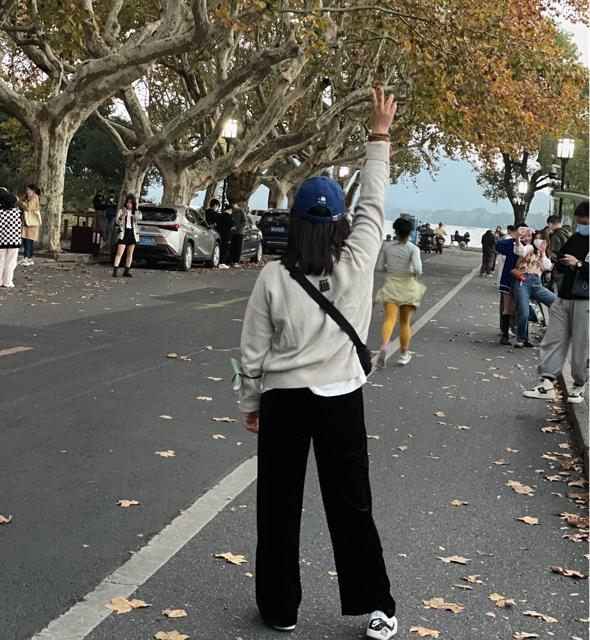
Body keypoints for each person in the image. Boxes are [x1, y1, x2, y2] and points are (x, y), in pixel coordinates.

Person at [238, 87, 398, 639]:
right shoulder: (358, 259)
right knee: (352, 504)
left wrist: (251, 401)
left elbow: (252, 351)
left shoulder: (272, 276)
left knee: (278, 507)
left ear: (294, 221)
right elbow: (374, 201)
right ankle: (378, 607)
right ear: (340, 223)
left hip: (284, 401)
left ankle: (280, 608)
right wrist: (378, 135)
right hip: (341, 398)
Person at [523, 202, 589, 403]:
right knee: (553, 338)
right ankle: (547, 382)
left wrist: (578, 264)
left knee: (582, 344)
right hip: (564, 296)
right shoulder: (575, 238)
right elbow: (560, 258)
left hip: (585, 300)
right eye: (579, 222)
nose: (581, 225)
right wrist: (558, 261)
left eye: (585, 222)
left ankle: (579, 384)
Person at [375, 216, 426, 366]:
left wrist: (391, 268)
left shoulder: (387, 247)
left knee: (389, 320)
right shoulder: (413, 249)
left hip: (391, 286)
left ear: (395, 231)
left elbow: (379, 267)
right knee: (404, 322)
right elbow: (418, 269)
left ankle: (384, 345)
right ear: (410, 232)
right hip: (408, 287)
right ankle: (403, 354)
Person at [511, 227, 555, 348]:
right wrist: (518, 238)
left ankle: (555, 333)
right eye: (537, 238)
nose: (538, 241)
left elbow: (547, 266)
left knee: (556, 302)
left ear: (546, 241)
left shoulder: (545, 254)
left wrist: (543, 252)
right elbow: (520, 250)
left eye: (541, 239)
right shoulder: (530, 247)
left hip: (537, 283)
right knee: (523, 312)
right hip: (523, 281)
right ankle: (521, 339)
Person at [496, 224, 524, 345]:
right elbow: (499, 245)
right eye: (521, 231)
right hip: (509, 277)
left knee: (522, 306)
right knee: (507, 306)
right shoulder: (511, 244)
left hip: (523, 279)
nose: (524, 234)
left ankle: (522, 334)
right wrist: (515, 238)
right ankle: (505, 333)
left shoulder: (530, 247)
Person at [0, 191, 23, 288]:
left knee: (0, 261)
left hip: (1, 239)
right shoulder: (17, 213)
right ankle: (7, 281)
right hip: (14, 239)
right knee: (11, 262)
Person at [112, 195, 141, 277]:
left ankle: (127, 270)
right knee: (119, 252)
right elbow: (117, 222)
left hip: (132, 233)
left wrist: (136, 209)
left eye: (131, 203)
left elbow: (138, 218)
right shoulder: (121, 211)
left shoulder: (135, 212)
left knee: (130, 253)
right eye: (128, 202)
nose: (129, 204)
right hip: (123, 233)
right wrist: (122, 216)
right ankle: (115, 270)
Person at [546, 215, 572, 291]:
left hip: (558, 269)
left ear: (550, 224)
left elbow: (553, 255)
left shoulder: (556, 235)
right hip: (569, 267)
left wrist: (549, 271)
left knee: (556, 291)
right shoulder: (569, 233)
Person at [19, 184, 41, 266]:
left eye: (28, 190)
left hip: (30, 223)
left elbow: (28, 207)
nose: (27, 191)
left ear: (33, 190)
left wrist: (21, 203)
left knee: (28, 240)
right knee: (28, 240)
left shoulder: (34, 198)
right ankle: (30, 257)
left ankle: (27, 257)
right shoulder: (30, 198)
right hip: (28, 222)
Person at [216, 203, 233, 269]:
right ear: (230, 209)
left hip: (220, 233)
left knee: (221, 247)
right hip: (226, 234)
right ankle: (222, 262)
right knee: (225, 248)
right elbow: (231, 224)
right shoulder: (228, 216)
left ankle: (219, 261)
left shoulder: (220, 215)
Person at [229, 199, 246, 266]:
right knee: (232, 247)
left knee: (238, 247)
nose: (233, 205)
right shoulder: (232, 211)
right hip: (232, 231)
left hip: (239, 232)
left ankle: (236, 261)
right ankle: (231, 260)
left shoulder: (241, 211)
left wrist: (238, 227)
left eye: (234, 204)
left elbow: (244, 221)